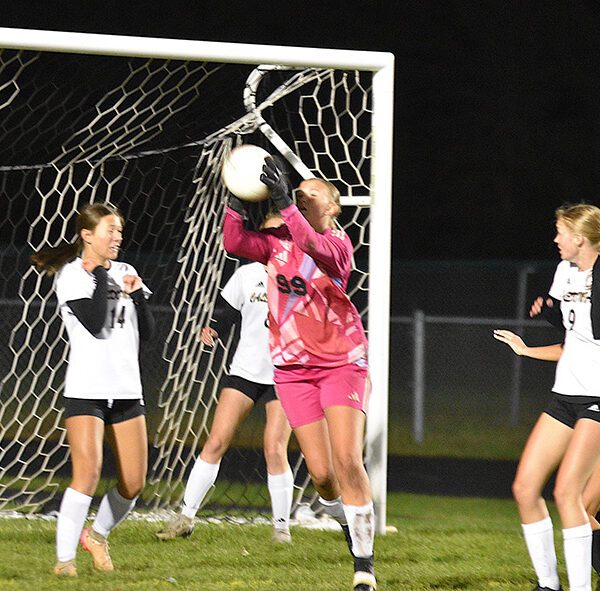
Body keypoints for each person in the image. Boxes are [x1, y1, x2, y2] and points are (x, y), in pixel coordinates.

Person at [221, 157, 376, 591]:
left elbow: (315, 248)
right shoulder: (276, 243)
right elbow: (234, 241)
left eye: (311, 193)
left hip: (341, 363)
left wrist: (288, 203)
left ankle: (364, 566)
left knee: (347, 460)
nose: (301, 196)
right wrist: (239, 191)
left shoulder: (338, 244)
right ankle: (350, 525)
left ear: (333, 207)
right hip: (292, 369)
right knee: (323, 476)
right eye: (296, 191)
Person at [155, 212, 295, 544]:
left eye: (284, 234)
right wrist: (214, 329)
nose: (277, 240)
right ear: (261, 240)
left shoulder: (298, 275)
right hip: (245, 371)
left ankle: (281, 528)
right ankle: (186, 517)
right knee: (216, 441)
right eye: (271, 234)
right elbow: (225, 312)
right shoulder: (246, 276)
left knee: (274, 447)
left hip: (285, 374)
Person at [31, 202, 154, 577]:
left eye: (119, 231)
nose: (118, 237)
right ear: (87, 235)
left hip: (127, 389)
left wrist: (138, 296)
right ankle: (64, 560)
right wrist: (101, 277)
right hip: (87, 389)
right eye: (110, 231)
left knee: (134, 483)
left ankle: (97, 535)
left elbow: (147, 335)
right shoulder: (71, 275)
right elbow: (95, 323)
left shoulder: (127, 270)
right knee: (87, 473)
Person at [493, 202, 600, 591]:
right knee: (524, 488)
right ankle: (548, 585)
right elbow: (571, 338)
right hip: (565, 394)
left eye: (560, 232)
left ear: (580, 238)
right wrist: (529, 345)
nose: (555, 239)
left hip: (597, 399)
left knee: (568, 494)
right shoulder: (564, 272)